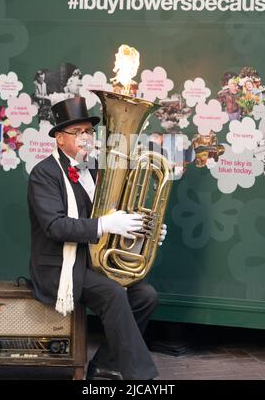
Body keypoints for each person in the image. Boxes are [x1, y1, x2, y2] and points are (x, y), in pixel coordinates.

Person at [28, 96, 167, 380]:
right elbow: (55, 227)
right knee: (113, 293)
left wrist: (144, 231)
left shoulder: (96, 169)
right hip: (59, 267)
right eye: (76, 132)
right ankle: (141, 377)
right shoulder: (43, 174)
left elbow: (114, 219)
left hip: (91, 262)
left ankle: (106, 364)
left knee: (145, 295)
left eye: (89, 131)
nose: (85, 137)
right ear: (59, 139)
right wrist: (105, 224)